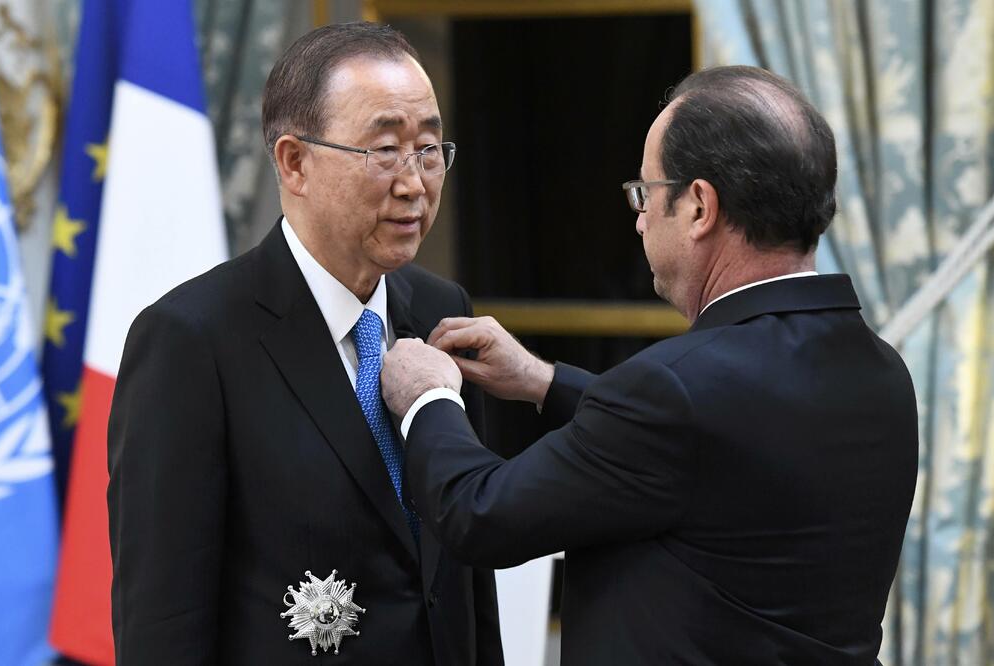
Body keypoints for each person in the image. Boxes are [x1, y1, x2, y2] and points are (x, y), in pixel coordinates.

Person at [381, 65, 917, 665]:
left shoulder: (676, 389)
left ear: (699, 207)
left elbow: (480, 514)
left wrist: (429, 399)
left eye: (646, 194)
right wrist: (543, 382)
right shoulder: (883, 370)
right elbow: (720, 450)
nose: (638, 219)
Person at [107, 22, 502, 665]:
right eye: (384, 151)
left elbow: (465, 570)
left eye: (430, 148)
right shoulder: (191, 340)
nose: (415, 184)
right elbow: (164, 620)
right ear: (294, 162)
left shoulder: (439, 309)